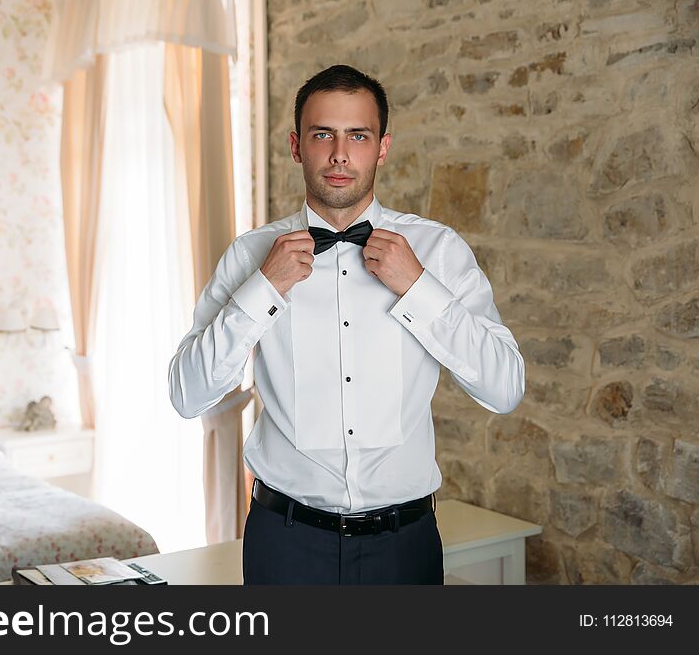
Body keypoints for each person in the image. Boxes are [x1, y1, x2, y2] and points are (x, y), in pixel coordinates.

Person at [168, 64, 525, 584]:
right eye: (323, 135)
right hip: (283, 544)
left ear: (381, 147)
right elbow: (186, 395)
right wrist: (262, 289)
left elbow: (505, 387)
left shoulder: (438, 251)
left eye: (358, 136)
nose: (340, 154)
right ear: (296, 145)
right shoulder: (250, 255)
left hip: (406, 545)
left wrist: (419, 288)